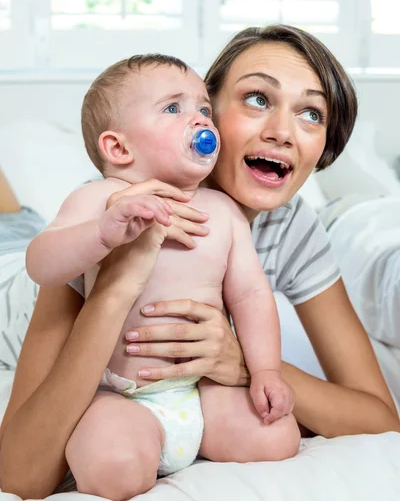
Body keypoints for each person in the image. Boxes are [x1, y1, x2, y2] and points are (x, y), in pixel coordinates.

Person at [1, 25, 399, 501]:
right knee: (14, 223)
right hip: (16, 275)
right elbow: (22, 474)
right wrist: (122, 270)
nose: (281, 132)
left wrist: (244, 362)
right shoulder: (119, 204)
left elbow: (378, 419)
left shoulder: (289, 226)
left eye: (311, 113)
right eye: (257, 98)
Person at [24, 54, 299, 492]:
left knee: (279, 437)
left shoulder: (223, 212)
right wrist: (102, 233)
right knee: (114, 465)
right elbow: (41, 264)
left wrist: (265, 371)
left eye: (203, 109)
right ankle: (135, 446)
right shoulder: (101, 199)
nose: (198, 120)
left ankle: (193, 441)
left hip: (196, 392)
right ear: (118, 148)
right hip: (122, 395)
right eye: (174, 108)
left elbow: (250, 296)